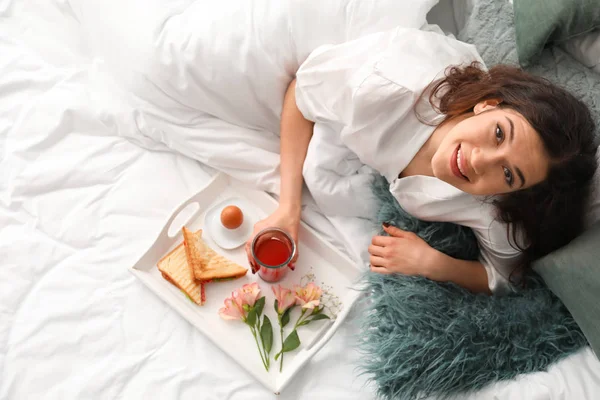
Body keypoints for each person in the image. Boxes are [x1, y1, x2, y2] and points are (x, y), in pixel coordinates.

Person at [244, 26, 598, 295]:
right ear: (489, 103)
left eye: (508, 174)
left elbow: (502, 276)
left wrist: (435, 264)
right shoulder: (384, 86)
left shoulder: (497, 209)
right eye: (499, 134)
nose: (478, 161)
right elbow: (300, 91)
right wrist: (288, 208)